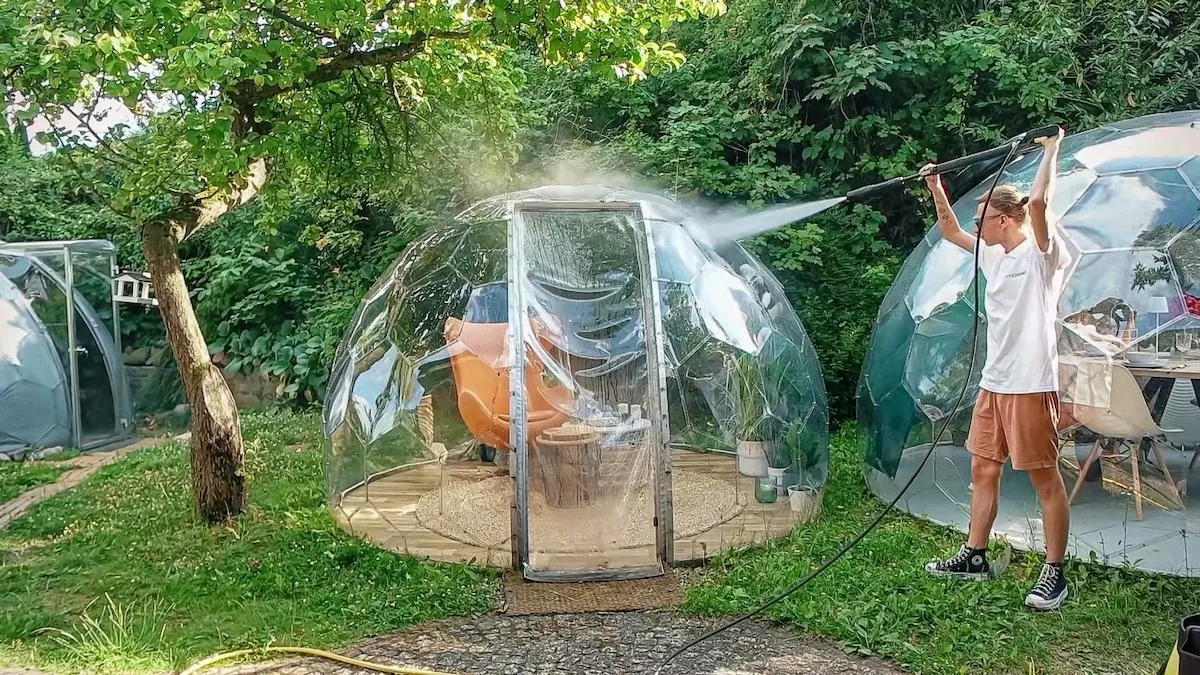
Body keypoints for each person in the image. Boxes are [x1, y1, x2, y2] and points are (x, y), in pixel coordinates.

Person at [922, 128, 1074, 611]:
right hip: (995, 382)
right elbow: (950, 231)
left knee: (1044, 478)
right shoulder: (992, 254)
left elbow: (1040, 208)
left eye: (984, 218)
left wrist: (1052, 150)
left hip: (1031, 385)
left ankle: (1055, 572)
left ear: (1006, 219)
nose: (977, 225)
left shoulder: (1043, 255)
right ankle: (975, 555)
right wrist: (936, 188)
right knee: (983, 467)